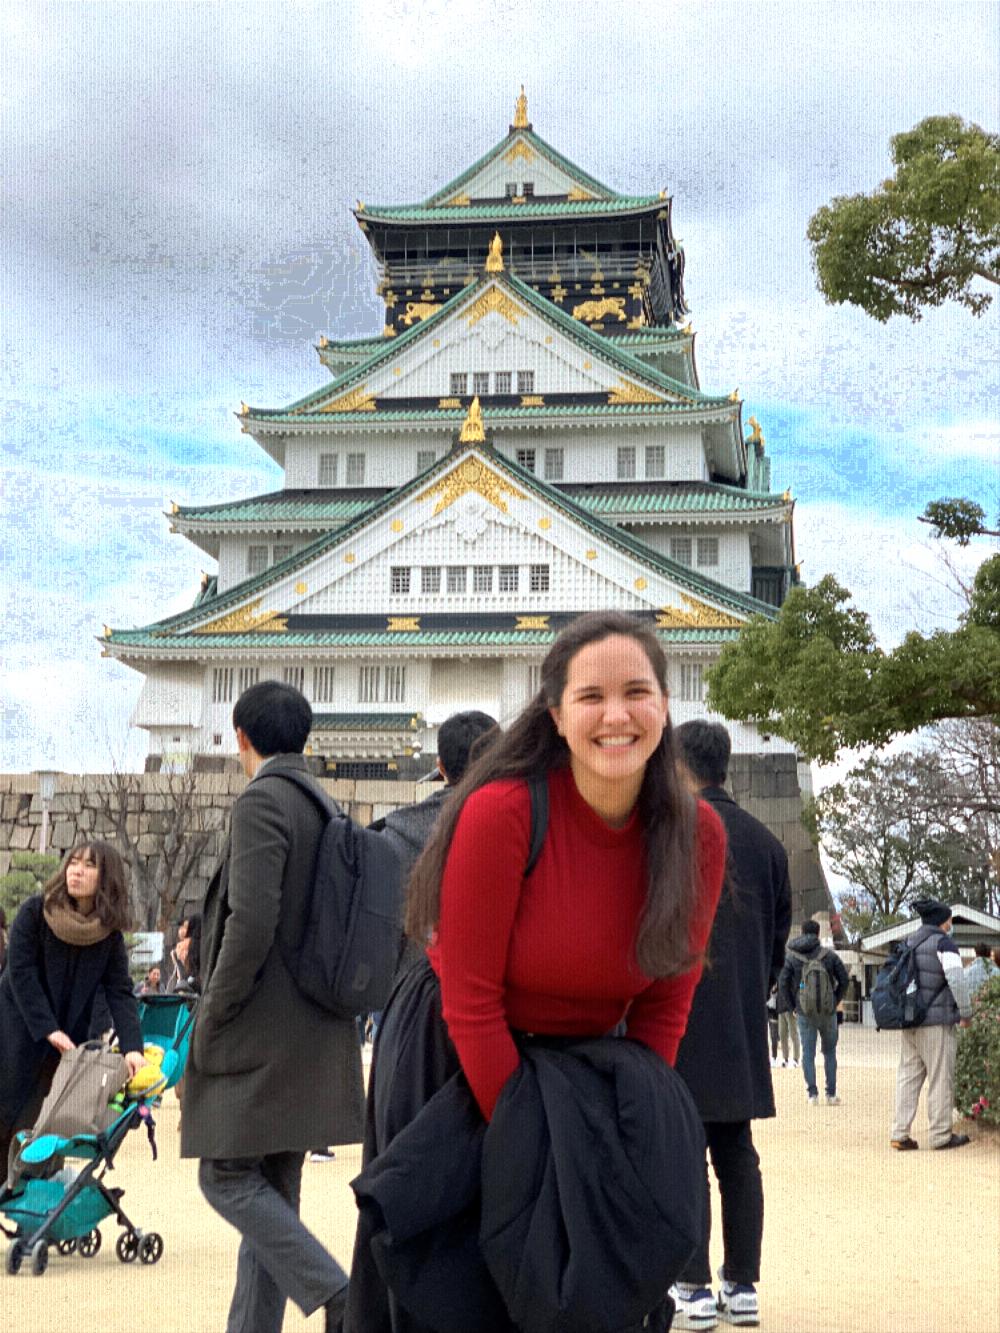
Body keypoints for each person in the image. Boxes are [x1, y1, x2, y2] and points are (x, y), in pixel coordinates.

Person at [344, 610, 727, 1333]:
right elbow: (473, 999)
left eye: (636, 692)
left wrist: (619, 1129)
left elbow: (665, 1006)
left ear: (666, 705)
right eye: (590, 697)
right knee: (457, 1290)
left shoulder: (696, 834)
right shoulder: (502, 811)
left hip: (590, 1060)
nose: (616, 715)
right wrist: (531, 1136)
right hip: (456, 1053)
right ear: (556, 714)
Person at [180, 681, 364, 1333]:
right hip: (315, 1026)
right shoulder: (325, 804)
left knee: (223, 1174)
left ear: (242, 737)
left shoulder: (264, 801)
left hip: (263, 1026)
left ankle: (341, 1295)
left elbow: (251, 920)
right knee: (275, 1190)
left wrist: (214, 1010)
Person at [669, 720, 791, 1332]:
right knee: (737, 1154)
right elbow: (778, 944)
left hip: (679, 1022)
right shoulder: (767, 843)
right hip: (740, 1022)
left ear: (681, 767)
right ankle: (741, 1285)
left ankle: (689, 1287)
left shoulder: (669, 835)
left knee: (684, 1156)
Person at [0, 842, 146, 1168]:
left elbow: (120, 992)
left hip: (64, 1046)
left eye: (89, 865)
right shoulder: (36, 912)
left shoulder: (107, 936)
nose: (76, 871)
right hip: (15, 1029)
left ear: (106, 878)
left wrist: (133, 1048)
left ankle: (30, 1208)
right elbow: (20, 973)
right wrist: (48, 1028)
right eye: (73, 862)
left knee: (40, 1128)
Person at [370, 709, 499, 979]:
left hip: (410, 996)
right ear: (499, 762)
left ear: (440, 768)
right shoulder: (524, 831)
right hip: (495, 996)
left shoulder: (393, 838)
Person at [890, 897, 973, 1151]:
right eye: (950, 919)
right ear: (943, 921)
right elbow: (956, 980)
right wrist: (966, 1012)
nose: (951, 923)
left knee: (908, 1077)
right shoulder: (944, 943)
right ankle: (940, 1135)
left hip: (909, 1020)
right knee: (940, 1078)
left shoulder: (909, 942)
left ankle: (899, 1133)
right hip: (936, 1022)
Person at [779, 920, 849, 1105]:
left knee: (808, 1054)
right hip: (828, 1011)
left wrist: (793, 1005)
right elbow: (844, 979)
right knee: (830, 1052)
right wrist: (834, 1000)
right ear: (818, 934)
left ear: (802, 933)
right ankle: (831, 1095)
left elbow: (783, 984)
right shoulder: (829, 956)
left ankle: (812, 1095)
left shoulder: (792, 957)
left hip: (804, 1012)